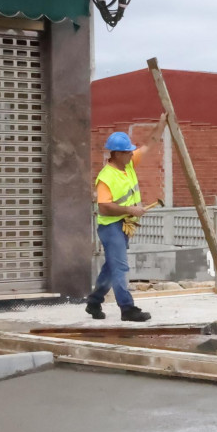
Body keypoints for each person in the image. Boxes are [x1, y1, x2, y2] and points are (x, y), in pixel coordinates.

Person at [86, 126, 163, 322]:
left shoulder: (127, 165)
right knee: (120, 267)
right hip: (111, 228)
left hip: (122, 226)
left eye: (130, 151)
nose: (131, 154)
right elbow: (103, 207)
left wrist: (162, 125)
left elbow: (149, 145)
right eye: (127, 151)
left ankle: (94, 301)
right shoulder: (106, 177)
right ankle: (127, 309)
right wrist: (130, 210)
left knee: (111, 267)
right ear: (117, 153)